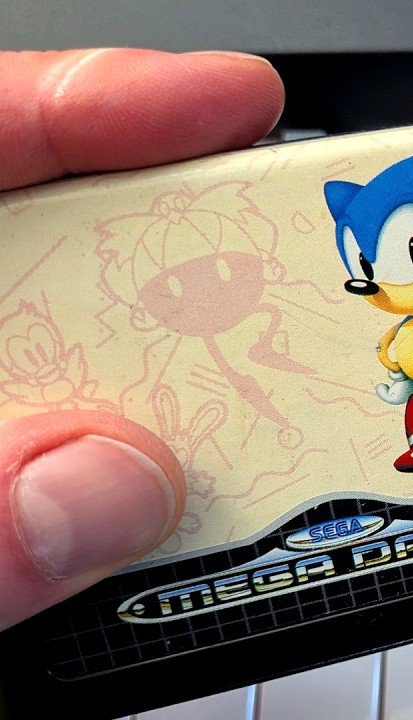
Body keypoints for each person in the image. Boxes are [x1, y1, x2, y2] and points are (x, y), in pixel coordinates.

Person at [0, 48, 285, 631]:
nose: (205, 293)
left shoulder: (257, 324)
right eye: (172, 288)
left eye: (225, 270)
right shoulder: (162, 357)